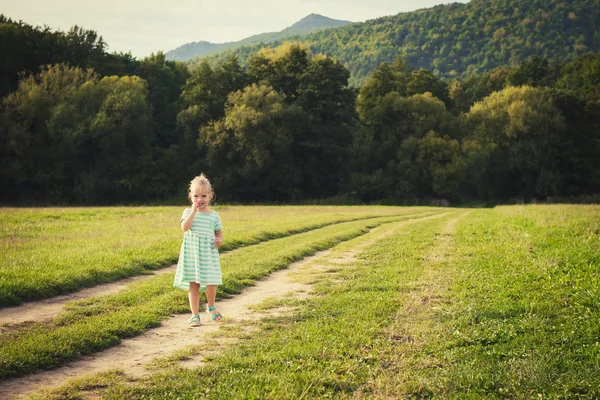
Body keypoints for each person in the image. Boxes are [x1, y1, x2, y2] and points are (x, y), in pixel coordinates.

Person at [174, 174, 224, 327]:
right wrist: (193, 212)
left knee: (211, 282)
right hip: (192, 254)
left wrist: (219, 241)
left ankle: (211, 306)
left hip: (208, 253)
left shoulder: (214, 216)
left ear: (210, 196)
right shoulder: (187, 213)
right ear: (191, 197)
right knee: (193, 285)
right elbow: (185, 228)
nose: (199, 199)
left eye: (203, 196)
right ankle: (195, 315)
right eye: (196, 196)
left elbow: (219, 233)